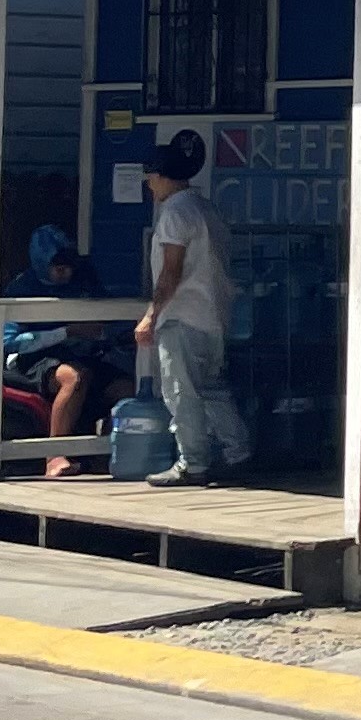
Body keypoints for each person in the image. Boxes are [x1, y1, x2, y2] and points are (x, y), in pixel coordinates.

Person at [133, 133, 250, 488]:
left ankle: (193, 463)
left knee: (180, 391)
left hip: (181, 315)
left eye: (151, 179)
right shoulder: (206, 208)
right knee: (212, 388)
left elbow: (171, 271)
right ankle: (238, 450)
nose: (149, 187)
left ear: (162, 176)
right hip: (214, 315)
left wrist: (152, 315)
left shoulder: (174, 213)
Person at [2, 224, 125, 479]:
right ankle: (54, 455)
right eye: (58, 267)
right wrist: (67, 332)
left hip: (84, 354)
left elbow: (108, 317)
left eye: (69, 266)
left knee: (127, 387)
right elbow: (9, 342)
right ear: (41, 264)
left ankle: (109, 454)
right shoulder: (21, 288)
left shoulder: (84, 280)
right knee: (74, 377)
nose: (65, 273)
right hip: (34, 360)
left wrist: (104, 333)